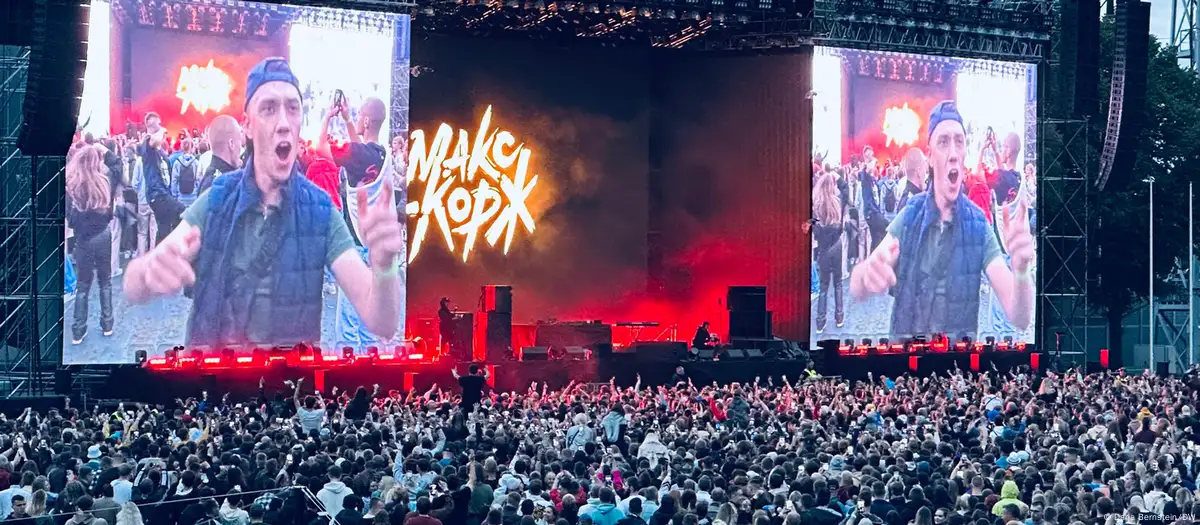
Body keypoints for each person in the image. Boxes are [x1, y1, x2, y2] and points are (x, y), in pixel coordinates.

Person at [122, 58, 405, 347]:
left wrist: (385, 266)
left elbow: (382, 323)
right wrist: (148, 274)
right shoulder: (218, 200)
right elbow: (132, 286)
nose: (283, 123)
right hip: (216, 373)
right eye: (269, 108)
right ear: (247, 125)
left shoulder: (320, 211)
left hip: (290, 376)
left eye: (292, 108)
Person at [849, 101, 1035, 338]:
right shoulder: (910, 215)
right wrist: (866, 275)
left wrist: (1021, 270)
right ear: (930, 156)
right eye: (944, 142)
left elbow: (1020, 317)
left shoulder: (978, 225)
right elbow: (857, 285)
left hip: (956, 359)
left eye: (959, 141)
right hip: (906, 356)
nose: (953, 153)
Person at [67, 144, 117, 344]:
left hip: (84, 240)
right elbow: (109, 214)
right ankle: (107, 324)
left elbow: (71, 220)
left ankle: (78, 331)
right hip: (103, 235)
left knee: (82, 286)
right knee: (105, 282)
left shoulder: (73, 186)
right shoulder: (104, 181)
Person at [812, 173, 844, 334]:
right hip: (836, 246)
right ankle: (839, 317)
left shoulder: (815, 207)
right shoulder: (836, 202)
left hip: (824, 248)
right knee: (838, 283)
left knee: (823, 286)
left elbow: (815, 231)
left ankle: (820, 322)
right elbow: (840, 228)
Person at [197, 115, 244, 195]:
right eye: (239, 142)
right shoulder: (225, 185)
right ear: (231, 143)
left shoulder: (209, 179)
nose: (240, 147)